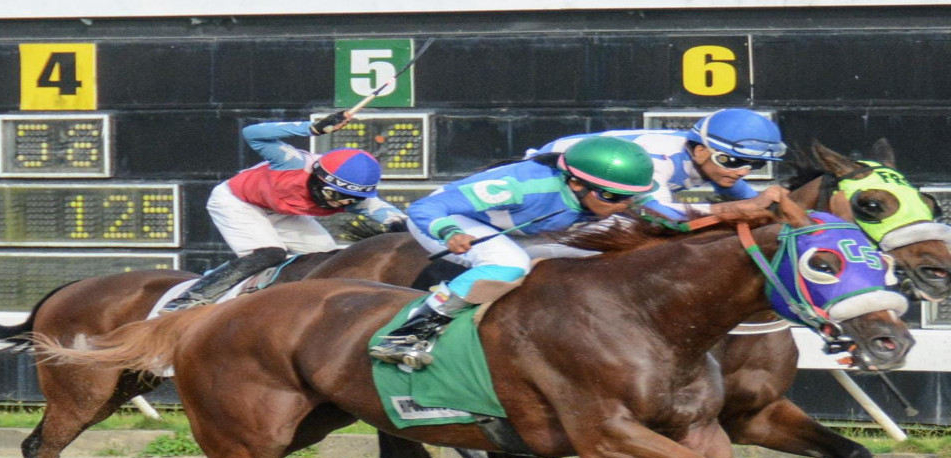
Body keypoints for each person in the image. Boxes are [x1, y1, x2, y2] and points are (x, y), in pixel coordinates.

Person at [368, 135, 658, 369]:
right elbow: (423, 208)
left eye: (630, 197)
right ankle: (406, 334)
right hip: (450, 221)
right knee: (509, 263)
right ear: (576, 182)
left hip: (518, 230)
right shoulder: (522, 188)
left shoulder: (600, 193)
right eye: (611, 197)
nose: (623, 204)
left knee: (607, 253)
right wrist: (449, 232)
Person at [160, 119, 407, 313]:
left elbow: (402, 224)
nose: (340, 203)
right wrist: (311, 128)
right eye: (335, 193)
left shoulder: (360, 200)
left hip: (282, 212)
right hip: (237, 202)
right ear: (319, 177)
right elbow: (253, 133)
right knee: (270, 253)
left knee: (327, 261)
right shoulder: (292, 163)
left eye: (348, 199)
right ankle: (190, 298)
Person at [526, 108, 788, 226]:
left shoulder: (709, 161)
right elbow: (659, 212)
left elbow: (750, 200)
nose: (743, 172)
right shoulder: (656, 161)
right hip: (545, 192)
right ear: (700, 152)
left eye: (755, 164)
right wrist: (736, 209)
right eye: (733, 161)